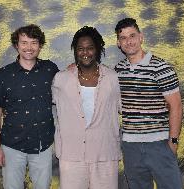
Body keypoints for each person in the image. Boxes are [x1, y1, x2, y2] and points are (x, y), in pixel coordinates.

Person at [114, 18, 183, 189]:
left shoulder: (162, 68)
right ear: (118, 43)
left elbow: (176, 106)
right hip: (130, 146)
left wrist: (173, 141)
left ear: (141, 37)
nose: (128, 41)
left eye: (132, 35)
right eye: (123, 38)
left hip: (159, 144)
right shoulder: (117, 71)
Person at [0, 24, 59, 189]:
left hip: (42, 145)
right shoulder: (3, 74)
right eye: (24, 42)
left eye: (34, 42)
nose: (29, 47)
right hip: (11, 146)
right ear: (16, 45)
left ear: (40, 45)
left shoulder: (51, 69)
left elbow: (66, 92)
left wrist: (73, 69)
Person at [52, 26, 121, 189]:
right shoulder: (61, 79)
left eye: (90, 48)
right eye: (80, 49)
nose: (85, 53)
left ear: (97, 49)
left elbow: (126, 108)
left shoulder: (112, 78)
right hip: (71, 155)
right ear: (75, 51)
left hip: (105, 154)